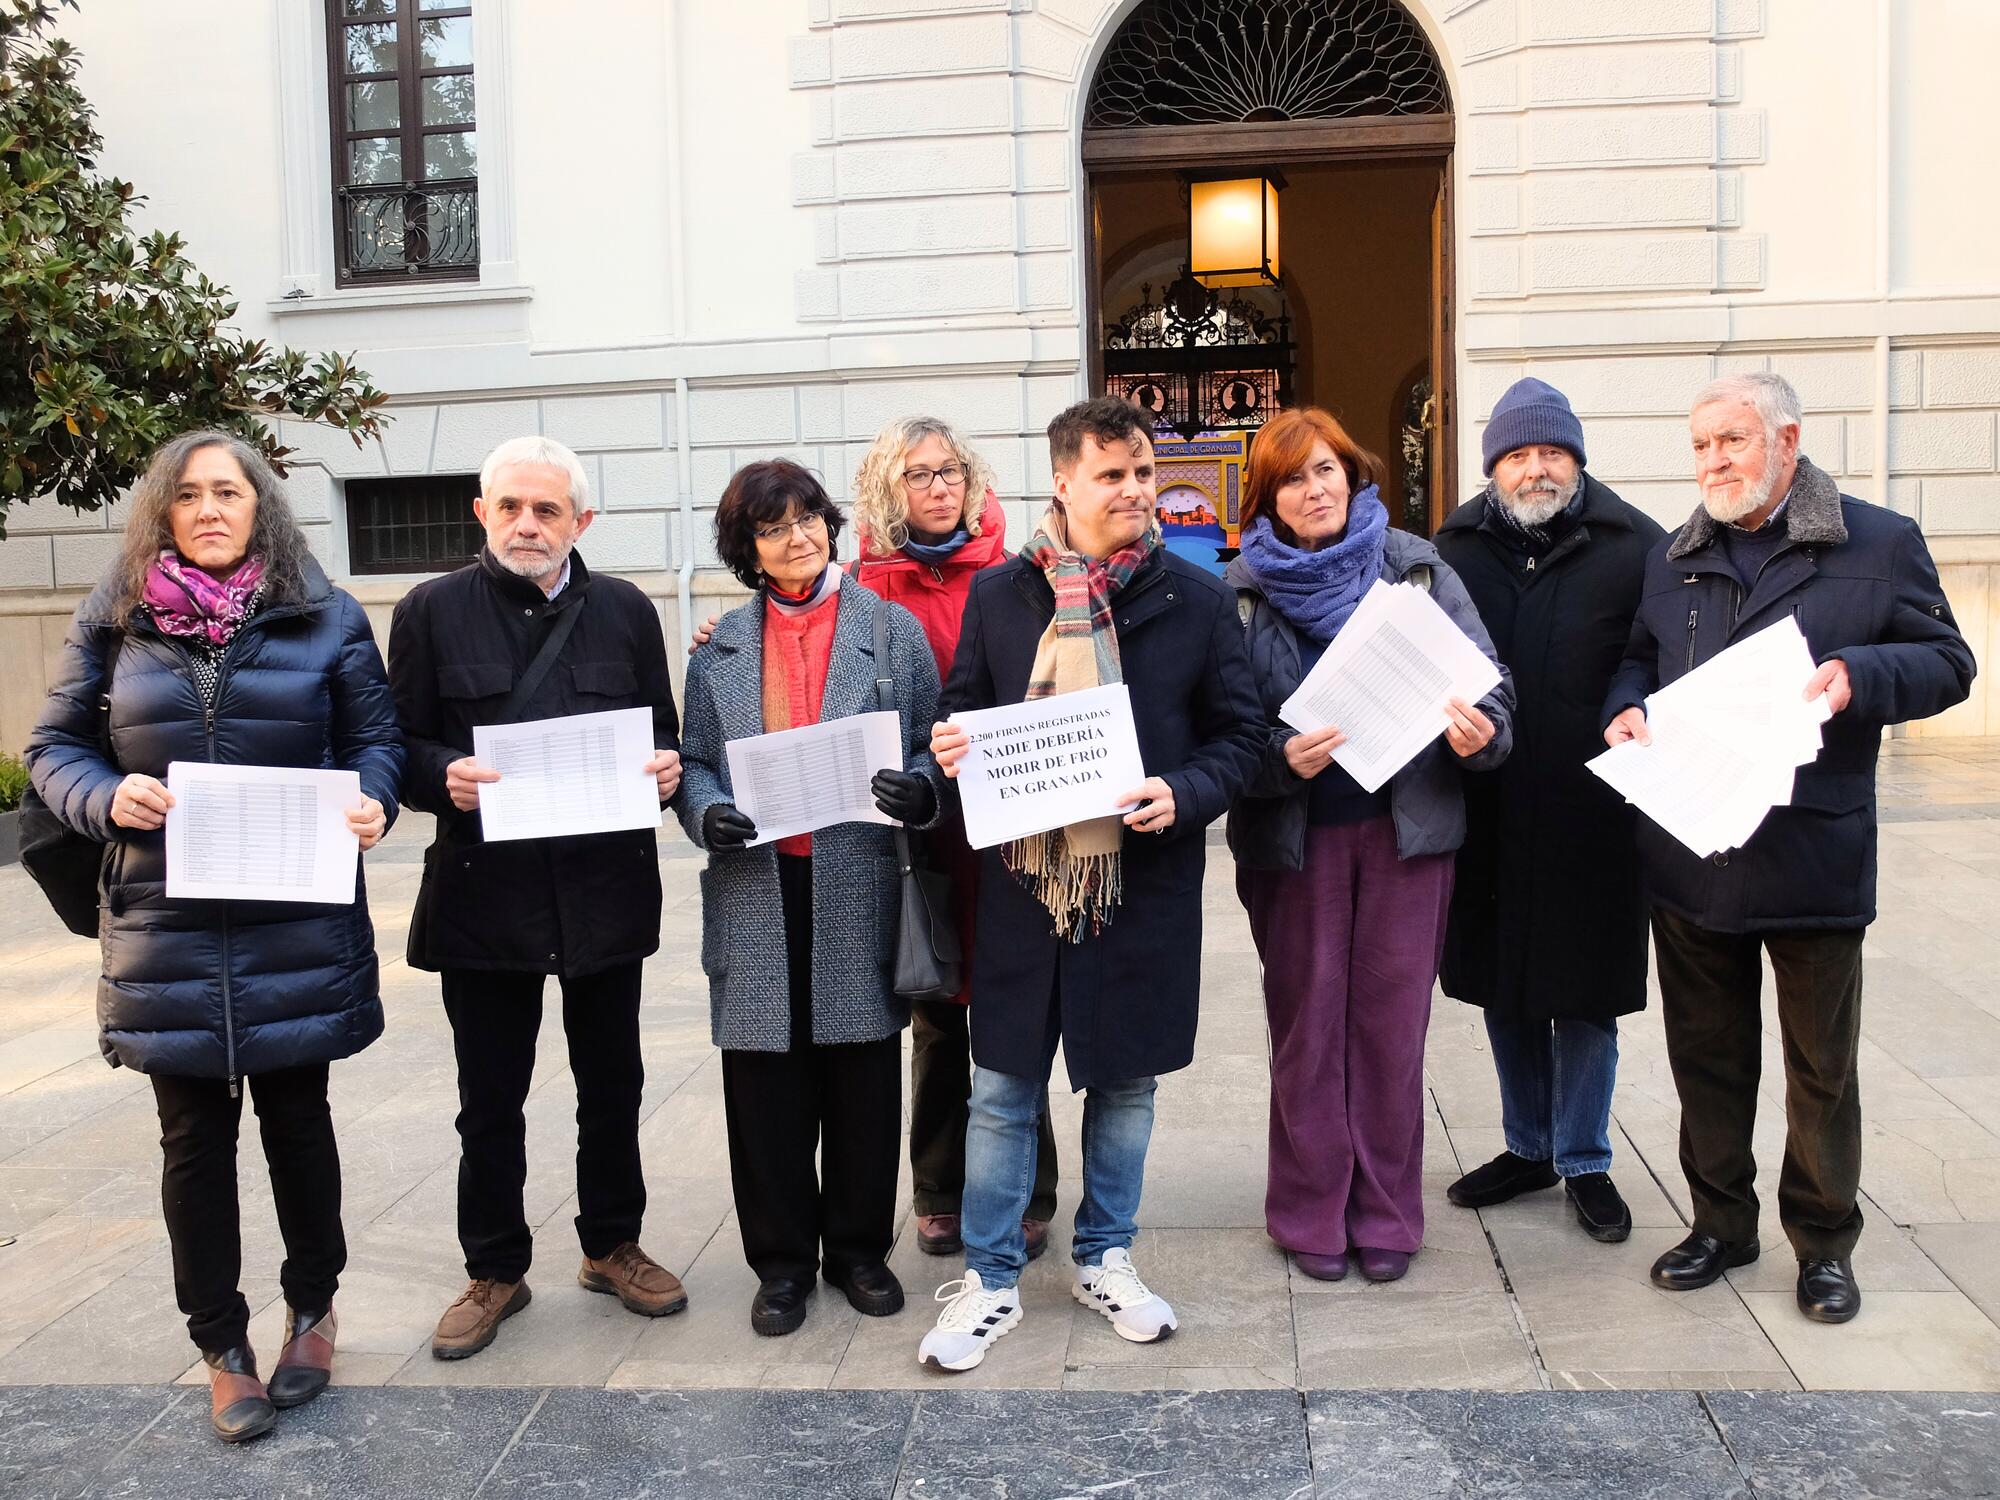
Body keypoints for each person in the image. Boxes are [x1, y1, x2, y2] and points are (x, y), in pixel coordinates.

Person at [25, 430, 403, 1443]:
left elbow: (376, 741)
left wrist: (373, 800)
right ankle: (222, 1346)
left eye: (226, 492)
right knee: (192, 1139)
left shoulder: (323, 615)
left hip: (295, 918)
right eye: (186, 495)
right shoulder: (113, 619)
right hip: (167, 927)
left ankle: (313, 1309)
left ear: (258, 508)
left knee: (297, 1120)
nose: (207, 509)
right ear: (164, 512)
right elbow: (51, 750)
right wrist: (107, 796)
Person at [1604, 372, 1974, 1323]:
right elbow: (1639, 657)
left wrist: (1862, 671)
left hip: (1813, 851)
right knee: (1707, 1058)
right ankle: (1721, 1225)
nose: (1713, 462)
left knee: (1821, 1068)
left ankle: (1823, 1244)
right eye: (1700, 446)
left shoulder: (1878, 541)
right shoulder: (1675, 554)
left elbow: (1949, 662)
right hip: (1694, 850)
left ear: (1787, 440)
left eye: (1731, 440)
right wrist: (1627, 709)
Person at [917, 395, 1263, 1373]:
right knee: (1001, 1090)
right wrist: (949, 741)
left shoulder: (1194, 600)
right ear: (1062, 483)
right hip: (1027, 889)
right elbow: (960, 710)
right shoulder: (1000, 597)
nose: (1134, 490)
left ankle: (1104, 1255)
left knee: (1123, 1087)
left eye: (1144, 472)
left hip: (1139, 890)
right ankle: (989, 1277)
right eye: (1111, 474)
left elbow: (1243, 738)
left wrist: (1182, 792)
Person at [388, 435, 687, 1361]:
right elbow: (398, 748)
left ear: (580, 522)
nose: (528, 524)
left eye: (547, 510)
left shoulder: (628, 611)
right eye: (511, 506)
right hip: (488, 898)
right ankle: (495, 1268)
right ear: (481, 512)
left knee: (613, 1084)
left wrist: (669, 772)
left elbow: (663, 737)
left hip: (603, 892)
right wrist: (447, 776)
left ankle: (611, 1245)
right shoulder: (431, 611)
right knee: (490, 1097)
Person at [1224, 406, 1513, 1284]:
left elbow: (1495, 700)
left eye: (1327, 471)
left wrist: (1479, 735)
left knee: (1391, 1030)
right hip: (1296, 845)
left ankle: (1388, 1212)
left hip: (1407, 840)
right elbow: (1223, 731)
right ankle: (1308, 1211)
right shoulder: (1239, 590)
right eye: (1292, 478)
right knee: (1307, 1029)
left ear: (1354, 477)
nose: (1314, 489)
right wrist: (1277, 758)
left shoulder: (1418, 570)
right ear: (1267, 498)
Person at [677, 459, 945, 1336]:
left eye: (808, 519)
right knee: (764, 1087)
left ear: (829, 524)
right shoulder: (718, 647)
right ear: (747, 549)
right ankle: (782, 1264)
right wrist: (707, 808)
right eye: (773, 527)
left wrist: (918, 787)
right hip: (758, 881)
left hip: (855, 874)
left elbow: (929, 744)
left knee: (861, 1075)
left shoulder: (890, 630)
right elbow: (696, 762)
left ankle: (860, 1251)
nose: (797, 537)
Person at [1433, 379, 1665, 1242]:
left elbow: (1655, 656)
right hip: (1489, 801)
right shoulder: (1451, 548)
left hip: (1594, 809)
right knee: (1505, 985)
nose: (1537, 470)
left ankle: (1584, 1157)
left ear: (1577, 458)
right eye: (1519, 455)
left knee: (1587, 993)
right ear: (1495, 466)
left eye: (1552, 453)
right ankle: (1527, 1146)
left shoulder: (1637, 545)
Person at [847, 417, 1061, 1262]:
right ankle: (939, 1187)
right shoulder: (863, 584)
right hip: (920, 835)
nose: (937, 487)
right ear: (886, 490)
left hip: (1010, 827)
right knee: (936, 1012)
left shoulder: (1021, 576)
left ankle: (1030, 1190)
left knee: (1020, 1010)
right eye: (917, 475)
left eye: (950, 472)